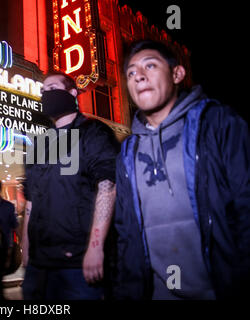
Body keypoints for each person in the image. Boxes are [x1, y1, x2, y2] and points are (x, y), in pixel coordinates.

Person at [114, 40, 250, 300]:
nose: (138, 76)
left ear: (177, 74)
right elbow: (125, 232)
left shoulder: (218, 124)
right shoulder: (127, 151)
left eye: (150, 66)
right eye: (131, 72)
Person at [22, 71, 120, 300]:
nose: (46, 94)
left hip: (77, 264)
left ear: (72, 93)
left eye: (53, 87)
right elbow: (30, 200)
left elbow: (108, 187)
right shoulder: (40, 144)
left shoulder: (92, 132)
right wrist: (25, 247)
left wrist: (96, 247)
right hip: (39, 265)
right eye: (43, 91)